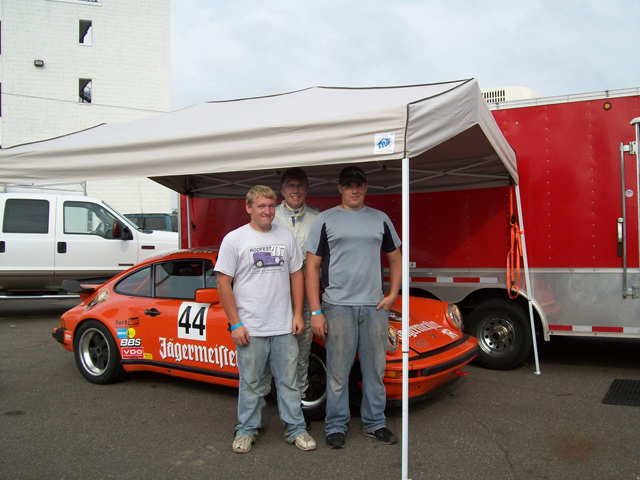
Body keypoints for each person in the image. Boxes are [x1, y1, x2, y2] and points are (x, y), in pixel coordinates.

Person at [305, 166, 402, 449]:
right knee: (338, 371)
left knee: (375, 370)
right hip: (337, 307)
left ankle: (375, 423)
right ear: (340, 188)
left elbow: (395, 259)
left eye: (359, 184)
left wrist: (392, 294)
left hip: (373, 307)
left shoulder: (380, 219)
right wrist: (316, 311)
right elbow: (312, 267)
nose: (354, 190)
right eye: (348, 185)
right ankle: (336, 425)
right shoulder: (326, 220)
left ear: (366, 187)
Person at [215, 185, 316, 453]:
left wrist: (297, 313)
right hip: (250, 327)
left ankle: (296, 428)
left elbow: (297, 274)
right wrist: (235, 323)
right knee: (251, 383)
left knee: (289, 381)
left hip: (283, 326)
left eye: (271, 206)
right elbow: (223, 283)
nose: (267, 211)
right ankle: (246, 430)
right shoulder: (234, 240)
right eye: (261, 206)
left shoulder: (285, 236)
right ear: (248, 208)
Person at [260, 168, 320, 404]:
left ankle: (298, 402)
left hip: (303, 297)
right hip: (272, 297)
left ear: (306, 189)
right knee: (265, 354)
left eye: (300, 186)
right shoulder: (269, 216)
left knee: (301, 352)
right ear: (282, 190)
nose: (296, 191)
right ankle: (260, 404)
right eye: (291, 186)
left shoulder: (318, 218)